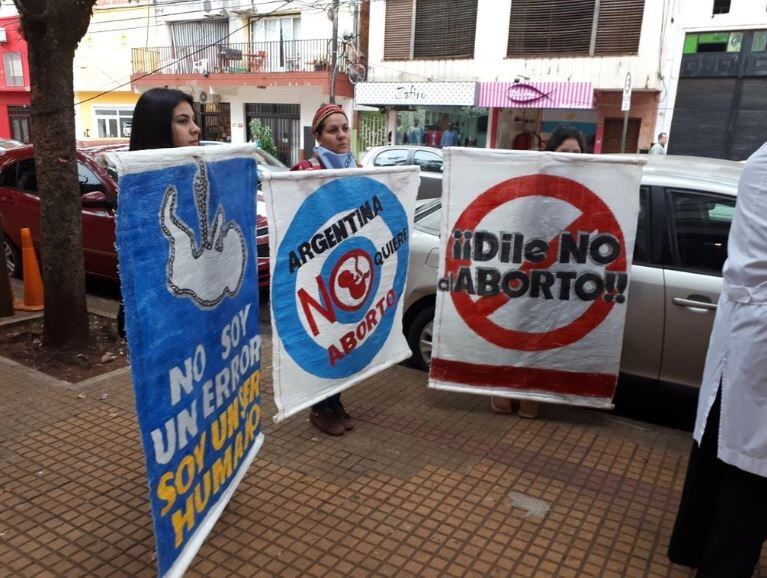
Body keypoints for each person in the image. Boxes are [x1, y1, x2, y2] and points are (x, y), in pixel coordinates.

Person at [668, 142, 767, 578]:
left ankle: (690, 547)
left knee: (718, 441)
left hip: (745, 323)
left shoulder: (761, 158)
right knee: (749, 470)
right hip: (755, 327)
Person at [490, 124, 586, 420]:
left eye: (576, 153)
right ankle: (507, 390)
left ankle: (531, 394)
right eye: (564, 152)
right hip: (527, 273)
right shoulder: (533, 184)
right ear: (551, 153)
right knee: (518, 333)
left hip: (563, 279)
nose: (570, 157)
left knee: (544, 337)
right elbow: (516, 228)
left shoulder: (593, 188)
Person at [290, 103, 356, 436]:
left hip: (346, 269)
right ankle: (319, 408)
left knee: (344, 340)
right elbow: (292, 217)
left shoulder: (356, 168)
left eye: (344, 128)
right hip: (315, 274)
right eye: (332, 130)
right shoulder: (304, 170)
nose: (342, 135)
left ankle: (335, 401)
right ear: (317, 135)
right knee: (322, 341)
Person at [116, 88, 201, 337]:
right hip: (161, 326)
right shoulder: (137, 195)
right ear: (158, 128)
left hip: (196, 317)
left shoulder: (197, 178)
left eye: (193, 120)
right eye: (183, 121)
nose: (195, 128)